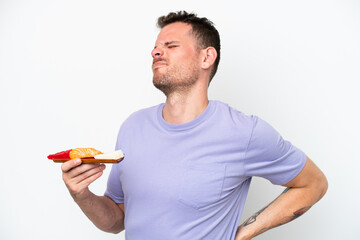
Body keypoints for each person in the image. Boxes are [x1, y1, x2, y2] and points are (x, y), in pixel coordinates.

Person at [61, 11, 328, 240]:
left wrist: (243, 233)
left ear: (206, 57)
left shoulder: (243, 132)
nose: (156, 51)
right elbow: (116, 220)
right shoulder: (133, 127)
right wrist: (82, 194)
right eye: (156, 47)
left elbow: (313, 184)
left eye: (171, 45)